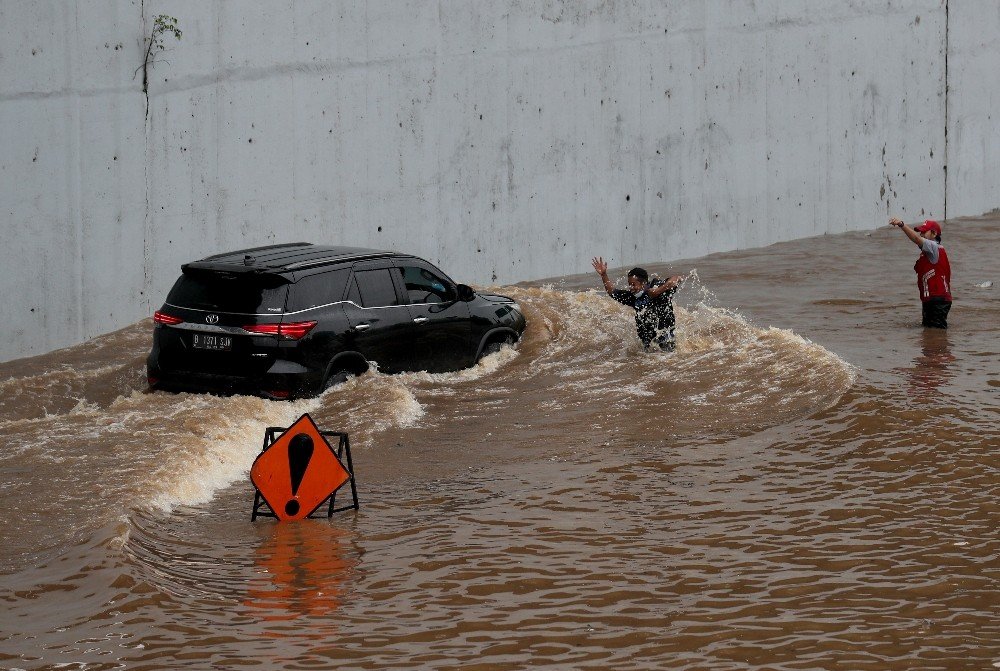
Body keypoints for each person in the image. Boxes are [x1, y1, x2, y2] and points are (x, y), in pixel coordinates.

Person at [591, 257, 684, 351]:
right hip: (648, 344)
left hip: (666, 339)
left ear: (643, 283)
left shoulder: (656, 286)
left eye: (633, 284)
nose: (631, 287)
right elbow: (612, 292)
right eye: (629, 284)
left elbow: (677, 278)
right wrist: (604, 275)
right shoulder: (632, 297)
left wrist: (658, 291)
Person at [889, 217, 953, 328]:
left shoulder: (933, 247)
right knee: (930, 333)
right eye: (921, 232)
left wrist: (901, 225)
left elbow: (916, 239)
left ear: (934, 234)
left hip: (937, 300)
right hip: (932, 299)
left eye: (924, 232)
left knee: (936, 335)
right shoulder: (928, 252)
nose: (921, 235)